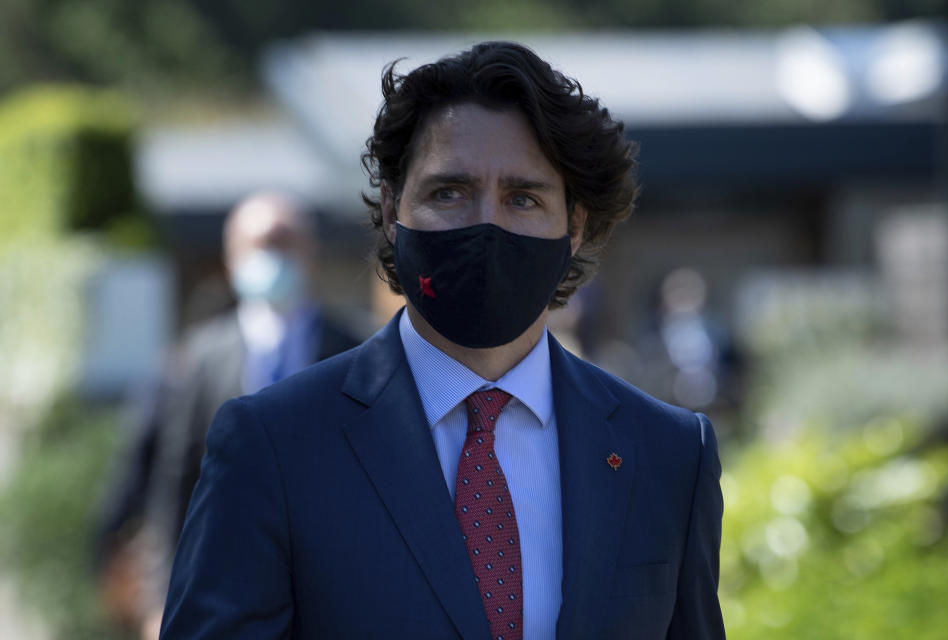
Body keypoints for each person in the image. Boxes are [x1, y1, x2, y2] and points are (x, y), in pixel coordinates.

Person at [160, 42, 724, 639]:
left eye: (523, 198)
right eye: (448, 192)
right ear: (391, 209)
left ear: (574, 225)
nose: (487, 225)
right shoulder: (272, 444)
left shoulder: (667, 454)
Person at [96, 192, 361, 639]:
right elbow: (174, 485)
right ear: (232, 258)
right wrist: (161, 599)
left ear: (309, 252)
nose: (270, 258)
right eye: (257, 245)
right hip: (229, 591)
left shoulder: (355, 352)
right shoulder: (200, 357)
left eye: (282, 242)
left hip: (335, 592)